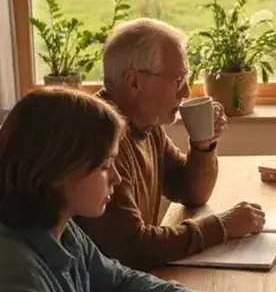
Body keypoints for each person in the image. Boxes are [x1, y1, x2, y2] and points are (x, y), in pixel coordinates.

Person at [0, 87, 272, 292]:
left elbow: (118, 284)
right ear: (57, 171)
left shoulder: (62, 229)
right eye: (106, 166)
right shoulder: (18, 276)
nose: (116, 178)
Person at [74, 18, 265, 270]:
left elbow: (192, 192)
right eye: (178, 80)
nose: (185, 92)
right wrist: (222, 226)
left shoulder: (146, 126)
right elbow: (132, 247)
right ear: (133, 82)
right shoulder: (100, 137)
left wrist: (202, 144)